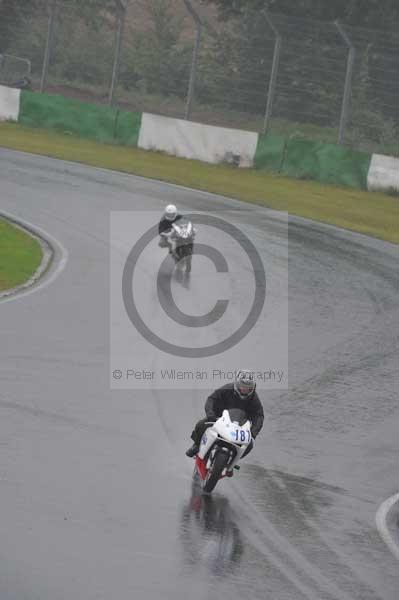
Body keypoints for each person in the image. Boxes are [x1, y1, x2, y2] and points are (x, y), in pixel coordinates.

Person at [186, 369, 264, 458]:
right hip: (219, 418)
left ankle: (234, 460)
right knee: (201, 425)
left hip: (240, 426)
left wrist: (253, 432)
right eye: (242, 386)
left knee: (250, 444)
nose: (245, 389)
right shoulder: (226, 389)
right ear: (237, 384)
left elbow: (259, 416)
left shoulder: (254, 398)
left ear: (253, 387)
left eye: (248, 387)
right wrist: (211, 415)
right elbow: (212, 399)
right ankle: (196, 445)